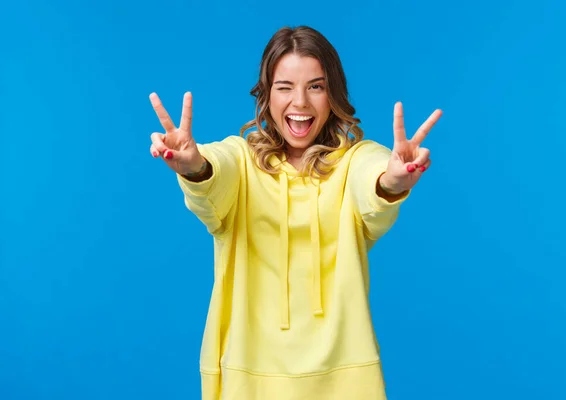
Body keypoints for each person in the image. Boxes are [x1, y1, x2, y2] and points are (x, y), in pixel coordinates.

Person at [148, 25, 441, 400]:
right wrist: (193, 166)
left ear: (332, 93)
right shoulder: (240, 159)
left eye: (315, 86)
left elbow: (374, 184)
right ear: (266, 95)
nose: (300, 102)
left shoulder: (355, 161)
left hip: (345, 381)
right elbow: (214, 175)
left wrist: (394, 181)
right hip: (246, 378)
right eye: (284, 87)